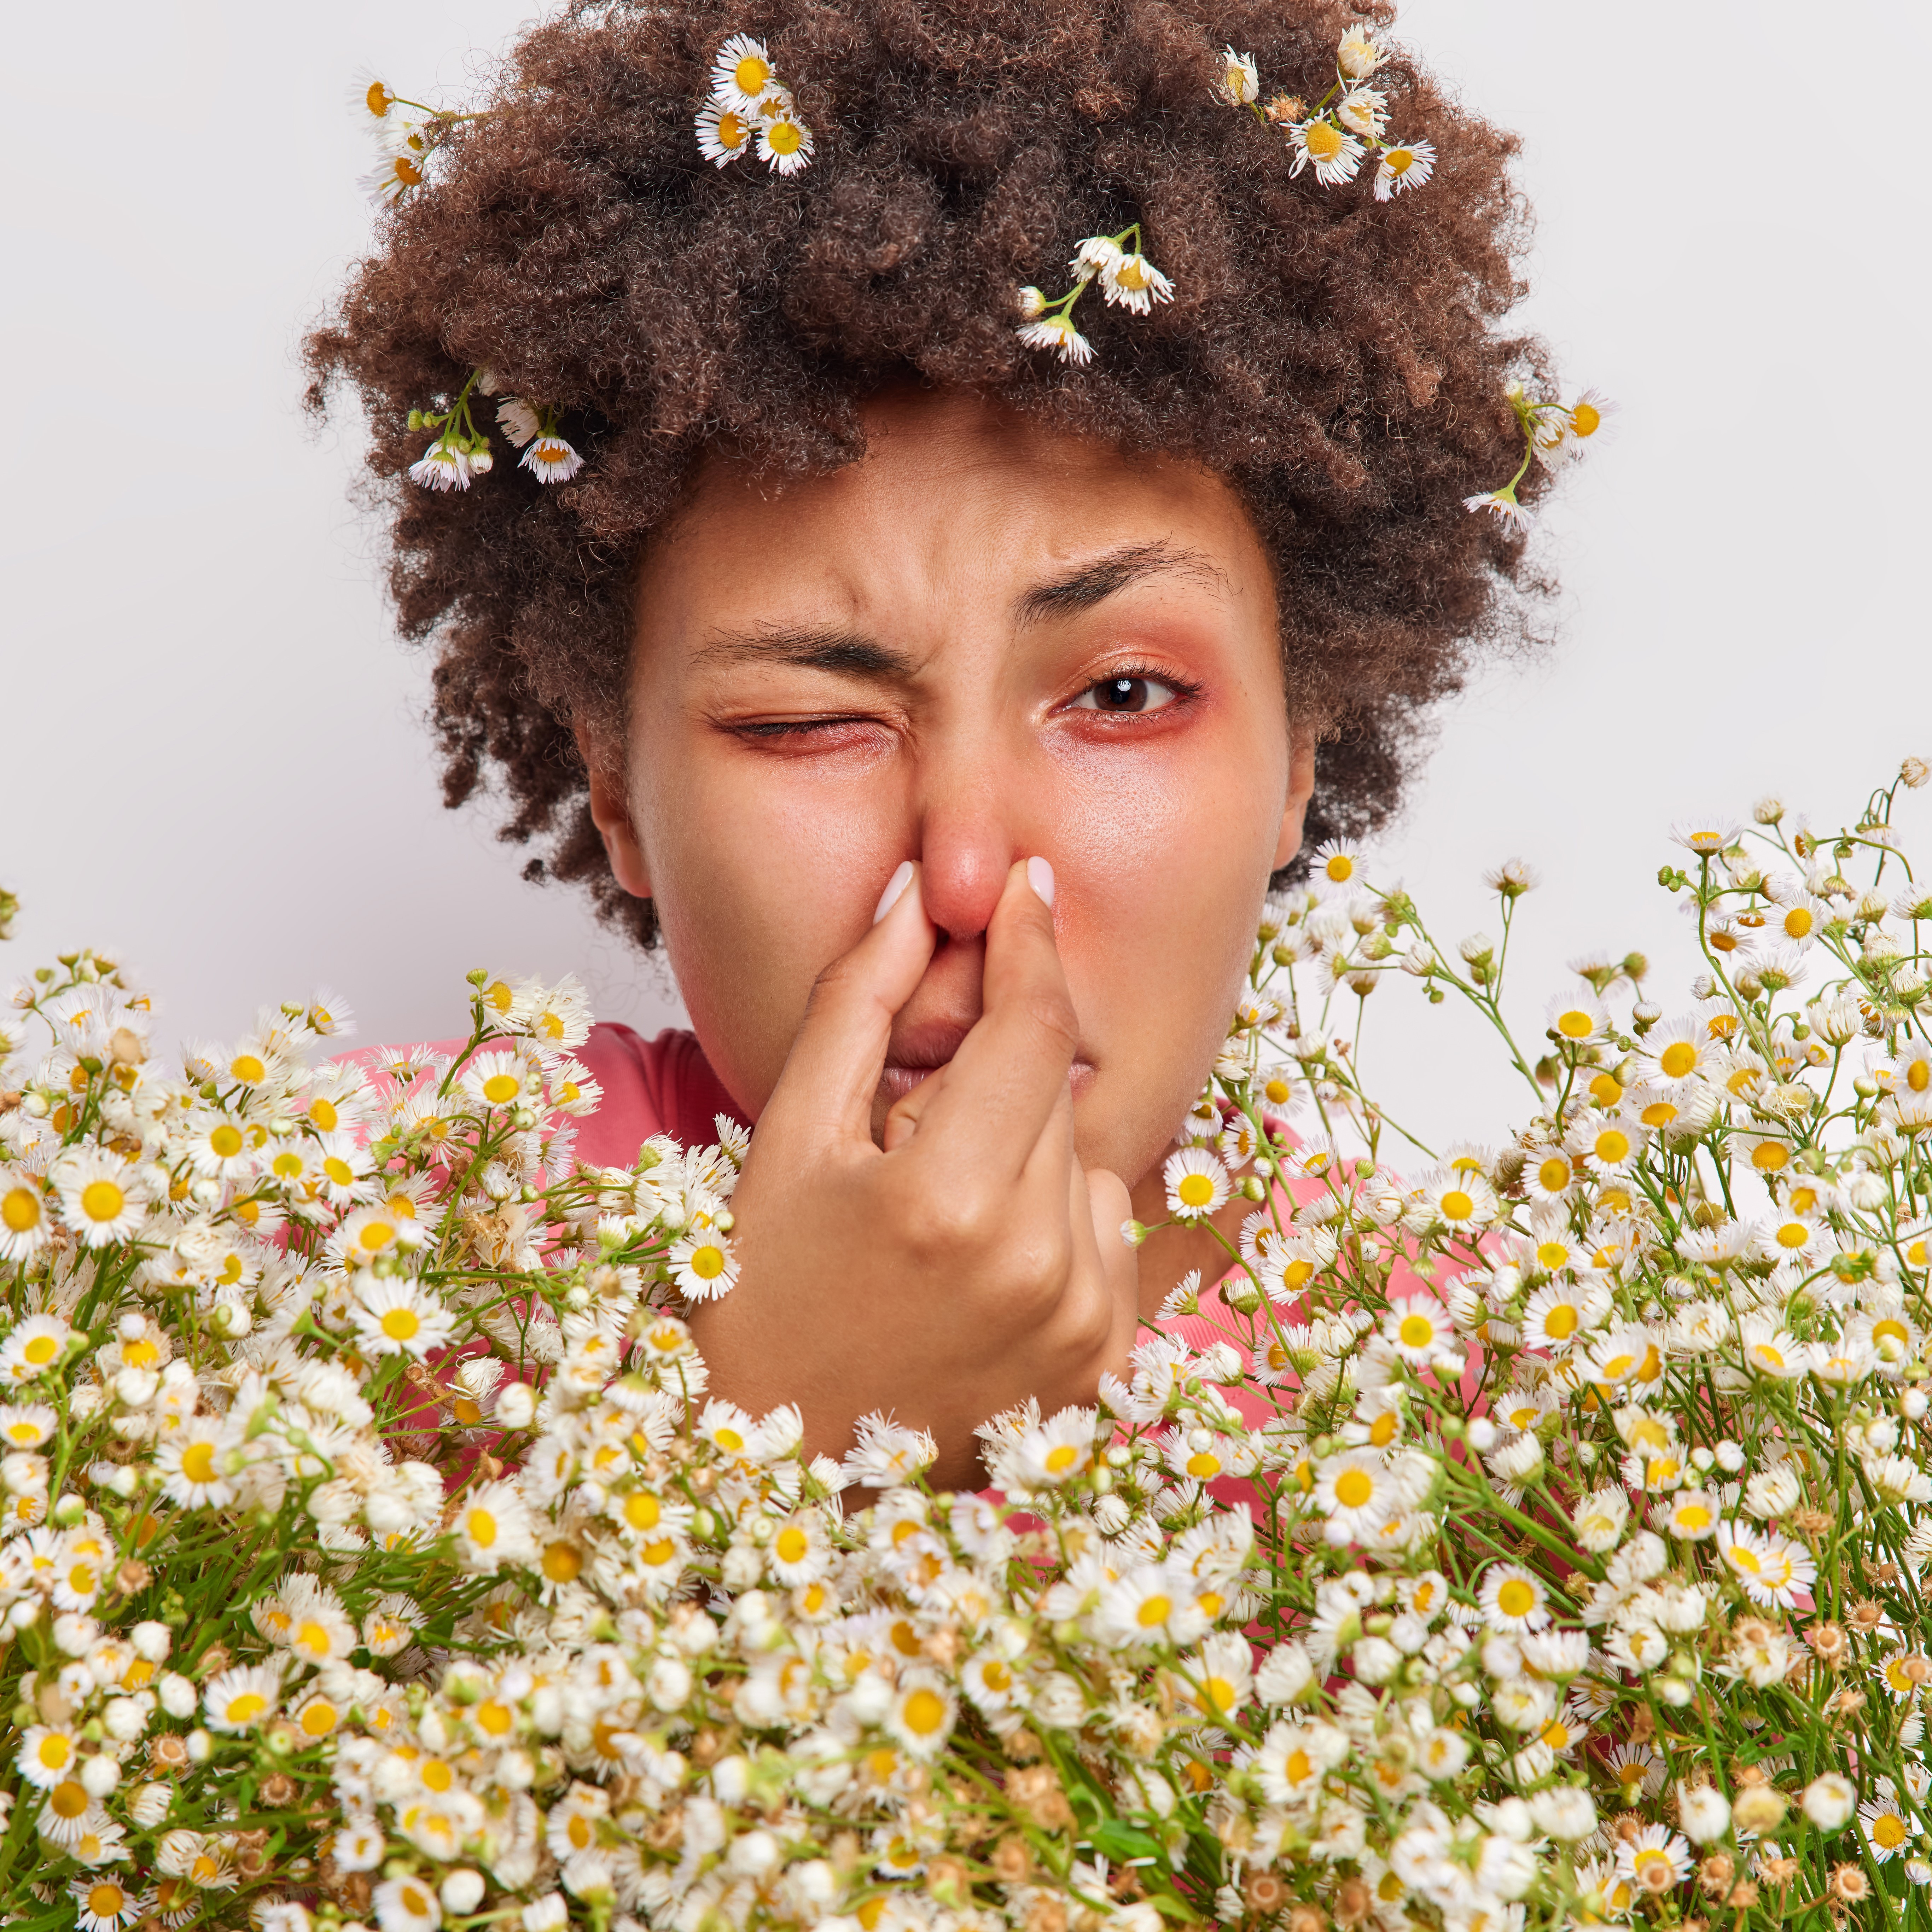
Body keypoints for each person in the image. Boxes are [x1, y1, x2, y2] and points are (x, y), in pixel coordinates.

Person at [307, 0, 1562, 1487]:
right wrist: (785, 1420)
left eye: (1122, 696)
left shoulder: (1530, 1421)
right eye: (808, 722)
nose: (966, 875)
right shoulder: (320, 1228)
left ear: (1299, 753)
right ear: (613, 783)